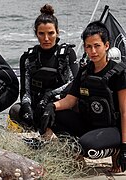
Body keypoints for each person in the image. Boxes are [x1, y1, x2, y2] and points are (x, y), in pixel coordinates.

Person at [40, 21, 126, 172]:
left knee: (88, 147)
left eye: (97, 45)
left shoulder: (119, 73)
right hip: (90, 124)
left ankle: (116, 151)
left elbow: (125, 112)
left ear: (106, 46)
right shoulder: (85, 70)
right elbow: (70, 100)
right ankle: (78, 158)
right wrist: (51, 107)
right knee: (54, 115)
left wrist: (125, 146)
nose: (92, 51)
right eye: (88, 46)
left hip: (114, 128)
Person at [8, 4, 78, 134]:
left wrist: (49, 98)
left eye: (51, 33)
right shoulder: (28, 58)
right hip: (37, 106)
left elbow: (74, 83)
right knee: (15, 110)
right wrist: (27, 107)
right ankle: (34, 135)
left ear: (57, 32)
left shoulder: (67, 54)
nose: (46, 38)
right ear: (36, 33)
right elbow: (25, 91)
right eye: (41, 34)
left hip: (58, 106)